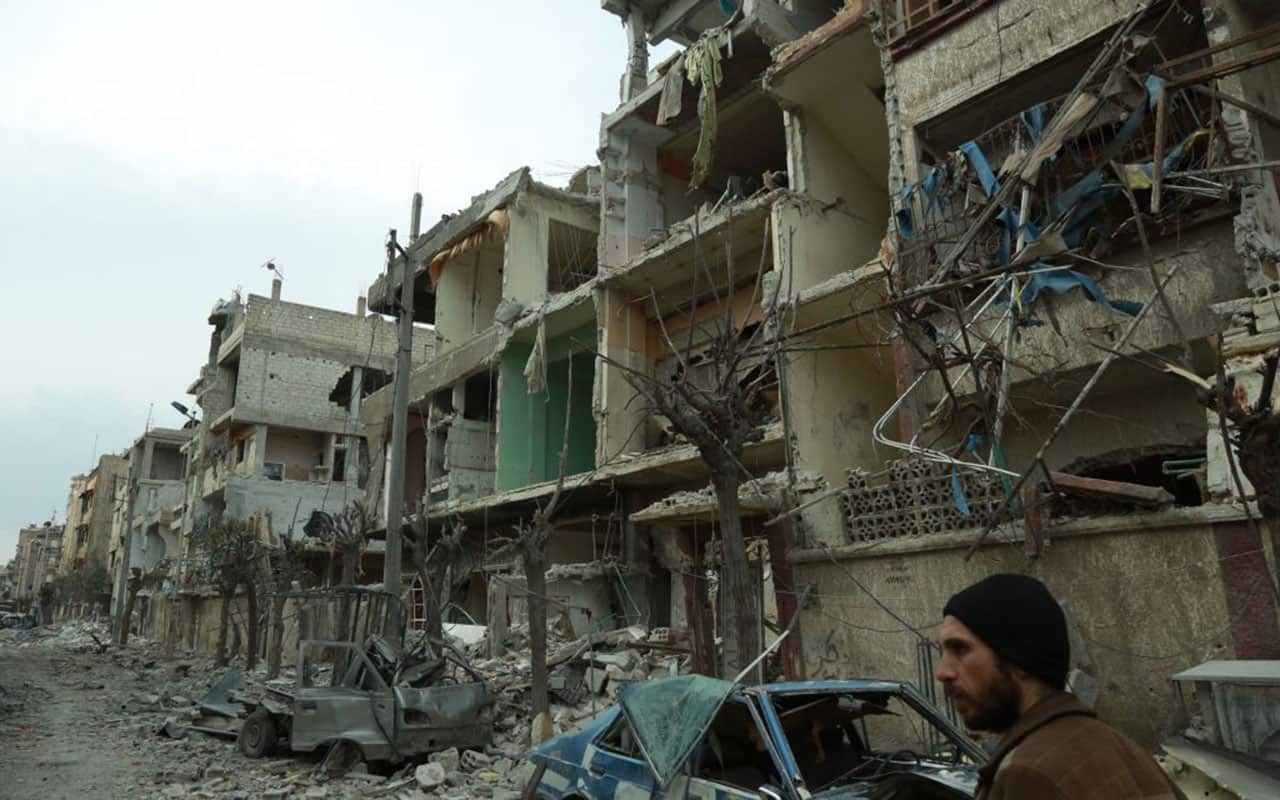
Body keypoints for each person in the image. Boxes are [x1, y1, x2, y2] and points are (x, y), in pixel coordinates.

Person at [935, 574, 1186, 800]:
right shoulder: (1125, 751)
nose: (942, 672)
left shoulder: (1029, 774)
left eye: (960, 649)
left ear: (1018, 659)